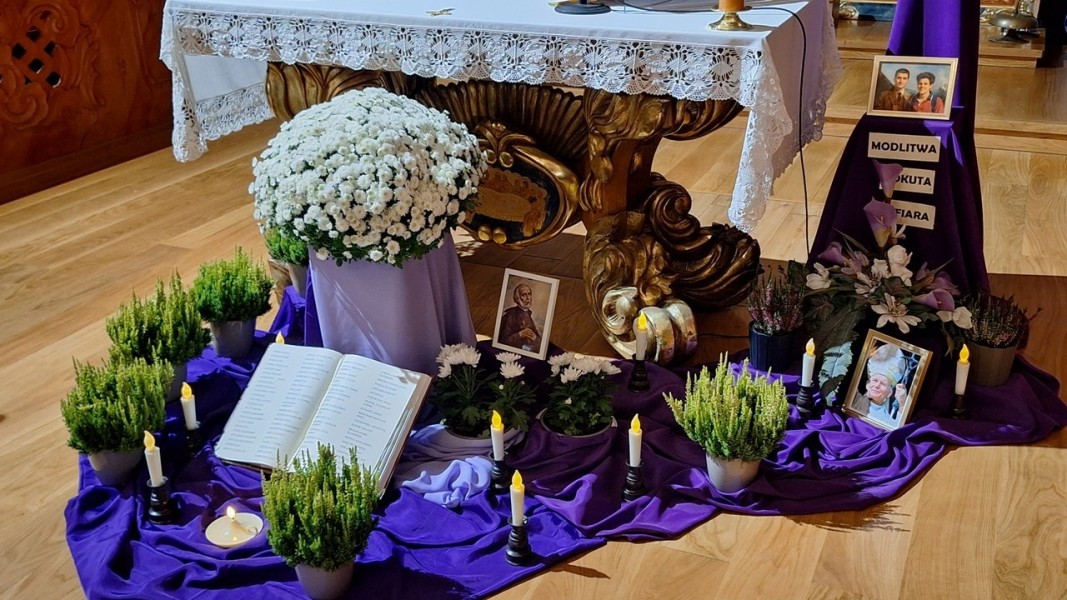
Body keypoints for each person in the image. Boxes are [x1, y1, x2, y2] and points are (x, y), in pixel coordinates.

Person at [851, 343, 907, 427]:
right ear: (867, 384)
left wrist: (902, 404)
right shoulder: (854, 400)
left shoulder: (887, 420)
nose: (877, 385)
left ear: (890, 393)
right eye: (875, 380)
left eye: (883, 383)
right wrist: (863, 357)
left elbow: (899, 428)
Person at [497, 283, 541, 351]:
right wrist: (519, 335)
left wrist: (535, 338)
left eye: (529, 294)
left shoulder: (529, 316)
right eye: (524, 295)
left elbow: (540, 343)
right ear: (517, 299)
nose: (528, 298)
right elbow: (502, 341)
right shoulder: (510, 316)